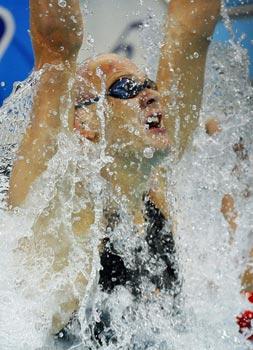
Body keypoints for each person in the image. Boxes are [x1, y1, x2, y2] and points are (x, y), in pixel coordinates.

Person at [7, 0, 221, 346]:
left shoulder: (159, 190)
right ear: (84, 123)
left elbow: (194, 24)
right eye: (126, 88)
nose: (152, 95)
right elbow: (56, 49)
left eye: (149, 84)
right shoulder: (57, 206)